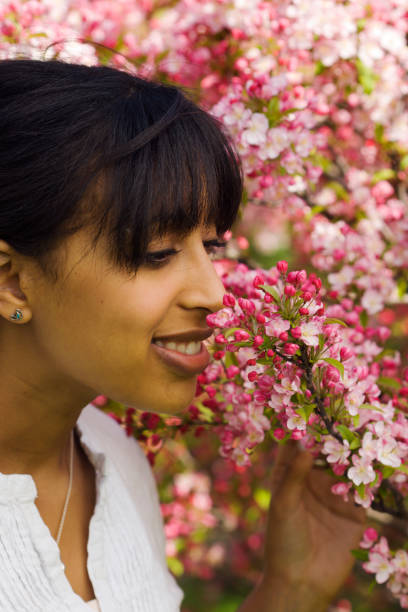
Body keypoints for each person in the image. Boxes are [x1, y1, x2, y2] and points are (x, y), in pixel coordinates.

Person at [0, 58, 365, 612]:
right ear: (13, 282)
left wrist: (288, 591)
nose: (214, 293)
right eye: (157, 253)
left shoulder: (113, 459)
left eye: (212, 246)